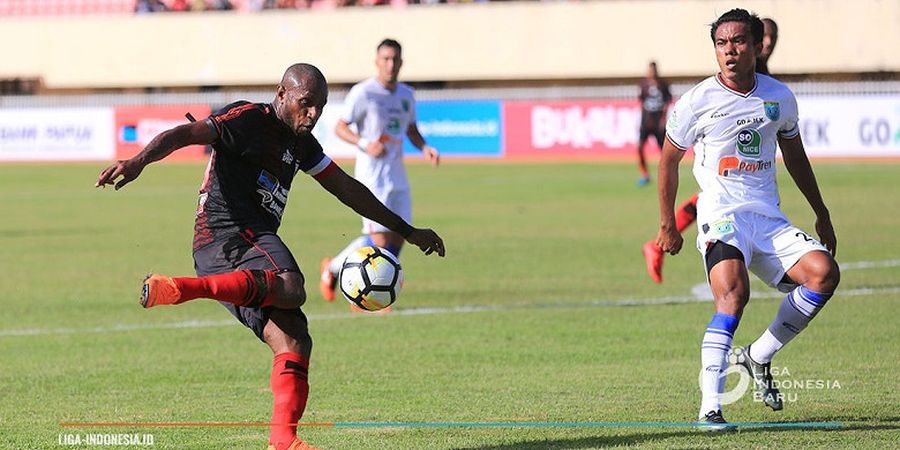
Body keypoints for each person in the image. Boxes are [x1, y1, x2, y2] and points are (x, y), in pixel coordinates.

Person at [95, 63, 445, 450]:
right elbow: (185, 133)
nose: (312, 115)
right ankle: (183, 289)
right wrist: (138, 161)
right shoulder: (248, 118)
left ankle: (283, 441)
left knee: (294, 339)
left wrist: (407, 230)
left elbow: (345, 187)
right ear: (282, 94)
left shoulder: (301, 143)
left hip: (234, 256)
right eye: (306, 104)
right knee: (293, 285)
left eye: (320, 108)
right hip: (228, 234)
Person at [653, 9, 839, 429]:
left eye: (738, 42)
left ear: (757, 46)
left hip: (766, 217)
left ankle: (758, 355)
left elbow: (794, 155)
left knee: (824, 274)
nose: (730, 51)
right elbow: (667, 161)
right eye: (722, 44)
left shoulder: (779, 97)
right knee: (733, 296)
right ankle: (710, 408)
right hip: (721, 215)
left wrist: (821, 211)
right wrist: (667, 223)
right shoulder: (696, 102)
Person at [642, 18, 779, 283]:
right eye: (767, 37)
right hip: (722, 151)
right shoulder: (749, 66)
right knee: (714, 198)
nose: (770, 44)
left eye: (775, 38)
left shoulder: (762, 71)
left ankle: (655, 246)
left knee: (707, 199)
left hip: (742, 161)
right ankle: (658, 243)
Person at [318, 38, 440, 310]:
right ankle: (364, 291)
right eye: (385, 59)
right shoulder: (364, 93)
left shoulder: (407, 95)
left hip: (398, 176)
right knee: (380, 239)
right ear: (377, 62)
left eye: (395, 59)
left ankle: (335, 269)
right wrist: (363, 143)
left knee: (400, 236)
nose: (391, 64)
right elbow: (340, 127)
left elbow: (411, 129)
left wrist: (425, 148)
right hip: (372, 177)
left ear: (401, 62)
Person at [636, 61, 672, 187]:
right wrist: (640, 121)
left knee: (663, 151)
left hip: (658, 123)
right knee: (639, 147)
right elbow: (642, 104)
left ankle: (666, 172)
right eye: (650, 70)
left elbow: (667, 103)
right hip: (646, 122)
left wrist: (663, 119)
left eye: (654, 70)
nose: (652, 72)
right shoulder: (644, 85)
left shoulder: (663, 85)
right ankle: (644, 174)